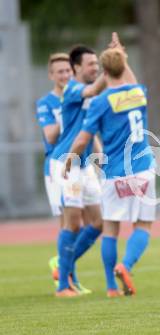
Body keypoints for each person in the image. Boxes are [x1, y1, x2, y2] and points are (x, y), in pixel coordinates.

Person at [64, 35, 155, 297]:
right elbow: (132, 80)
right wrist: (121, 55)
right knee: (142, 225)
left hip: (114, 173)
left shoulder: (100, 102)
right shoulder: (138, 93)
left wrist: (70, 159)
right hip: (142, 169)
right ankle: (125, 265)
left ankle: (111, 287)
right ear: (123, 65)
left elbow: (83, 138)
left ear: (104, 71)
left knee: (111, 228)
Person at [50, 43, 108, 297]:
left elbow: (89, 126)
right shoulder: (73, 88)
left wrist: (98, 151)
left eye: (98, 63)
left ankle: (64, 265)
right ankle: (63, 285)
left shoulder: (89, 93)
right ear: (76, 68)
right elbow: (96, 87)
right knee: (72, 223)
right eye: (91, 64)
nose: (95, 68)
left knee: (97, 223)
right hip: (66, 163)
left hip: (83, 165)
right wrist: (115, 62)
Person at [35, 53, 72, 287]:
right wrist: (70, 112)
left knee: (89, 221)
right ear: (51, 75)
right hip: (56, 165)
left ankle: (64, 265)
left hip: (80, 165)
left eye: (68, 70)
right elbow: (50, 135)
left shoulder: (78, 96)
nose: (65, 75)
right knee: (66, 221)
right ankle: (65, 274)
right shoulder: (45, 103)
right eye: (60, 71)